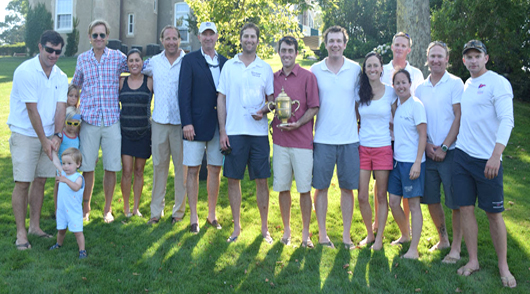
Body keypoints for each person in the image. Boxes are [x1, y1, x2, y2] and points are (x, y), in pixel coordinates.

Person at [453, 40, 516, 288]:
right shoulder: (467, 84)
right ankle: (473, 261)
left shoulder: (498, 83)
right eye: (468, 56)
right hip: (463, 158)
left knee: (493, 214)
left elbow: (507, 120)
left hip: (488, 161)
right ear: (464, 61)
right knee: (466, 209)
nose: (473, 60)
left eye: (477, 55)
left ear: (486, 58)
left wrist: (496, 155)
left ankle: (504, 266)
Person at [7, 30, 68, 250]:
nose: (53, 54)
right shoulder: (25, 71)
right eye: (50, 50)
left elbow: (61, 108)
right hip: (25, 134)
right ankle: (21, 234)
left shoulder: (61, 76)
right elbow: (32, 111)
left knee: (41, 181)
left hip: (50, 136)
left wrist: (58, 135)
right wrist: (45, 141)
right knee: (23, 183)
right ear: (40, 47)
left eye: (58, 51)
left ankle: (35, 227)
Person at [217, 22, 274, 243]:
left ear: (258, 40)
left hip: (258, 134)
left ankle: (264, 228)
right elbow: (221, 98)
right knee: (233, 179)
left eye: (253, 37)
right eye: (246, 36)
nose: (249, 40)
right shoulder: (229, 66)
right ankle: (236, 228)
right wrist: (223, 131)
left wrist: (263, 111)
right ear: (240, 39)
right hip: (234, 132)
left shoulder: (265, 68)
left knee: (261, 180)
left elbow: (272, 102)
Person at [72, 19, 128, 223]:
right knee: (87, 166)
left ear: (107, 37)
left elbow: (137, 66)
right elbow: (75, 86)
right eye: (95, 35)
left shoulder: (117, 57)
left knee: (111, 166)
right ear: (89, 37)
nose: (98, 38)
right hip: (89, 120)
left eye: (102, 35)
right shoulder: (82, 59)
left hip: (112, 119)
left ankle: (107, 209)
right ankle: (86, 208)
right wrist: (72, 114)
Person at [310, 26, 361, 249]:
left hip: (350, 139)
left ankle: (346, 236)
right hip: (323, 139)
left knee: (347, 188)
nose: (335, 45)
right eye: (331, 41)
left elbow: (361, 104)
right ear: (325, 43)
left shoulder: (355, 69)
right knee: (320, 188)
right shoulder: (315, 70)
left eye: (339, 41)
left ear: (345, 44)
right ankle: (322, 235)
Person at [415, 41, 463, 262]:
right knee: (432, 199)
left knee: (455, 202)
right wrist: (428, 147)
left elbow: (458, 117)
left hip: (450, 153)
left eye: (440, 56)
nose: (435, 60)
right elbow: (418, 123)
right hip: (428, 153)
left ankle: (456, 247)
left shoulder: (455, 83)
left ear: (447, 60)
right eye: (432, 56)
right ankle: (443, 239)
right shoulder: (420, 89)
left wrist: (444, 147)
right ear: (427, 59)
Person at [179, 22, 227, 233]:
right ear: (199, 37)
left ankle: (212, 214)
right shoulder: (189, 60)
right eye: (204, 34)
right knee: (193, 170)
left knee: (215, 169)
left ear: (217, 37)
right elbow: (183, 94)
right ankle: (193, 217)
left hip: (219, 126)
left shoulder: (225, 62)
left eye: (212, 34)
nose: (208, 38)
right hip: (195, 126)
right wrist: (186, 122)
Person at [272, 36, 319, 247]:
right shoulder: (273, 78)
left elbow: (314, 107)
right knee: (283, 188)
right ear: (279, 52)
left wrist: (299, 123)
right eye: (283, 50)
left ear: (296, 53)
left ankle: (306, 234)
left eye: (290, 50)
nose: (287, 54)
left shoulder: (308, 77)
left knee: (304, 190)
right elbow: (270, 104)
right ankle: (287, 231)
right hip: (280, 141)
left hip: (302, 141)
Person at [375, 32, 425, 233]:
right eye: (396, 44)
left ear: (409, 49)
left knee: (407, 188)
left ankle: (408, 228)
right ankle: (379, 223)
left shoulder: (417, 74)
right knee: (382, 183)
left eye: (403, 45)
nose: (399, 48)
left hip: (408, 138)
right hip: (385, 137)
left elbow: (417, 107)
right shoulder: (382, 69)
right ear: (392, 46)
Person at [143, 25, 187, 225]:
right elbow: (134, 67)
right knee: (159, 167)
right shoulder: (153, 62)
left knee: (181, 169)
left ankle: (178, 212)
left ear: (179, 40)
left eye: (174, 38)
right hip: (159, 122)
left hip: (181, 123)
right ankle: (155, 212)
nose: (171, 42)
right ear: (162, 40)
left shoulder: (187, 61)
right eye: (167, 38)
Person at [356, 51, 397, 250]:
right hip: (363, 147)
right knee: (362, 196)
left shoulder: (391, 92)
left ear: (382, 68)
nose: (372, 69)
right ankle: (370, 234)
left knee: (381, 196)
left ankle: (379, 237)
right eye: (368, 66)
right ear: (365, 70)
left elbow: (398, 119)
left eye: (375, 65)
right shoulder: (360, 91)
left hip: (383, 148)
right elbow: (356, 117)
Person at [388, 69, 427, 259]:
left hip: (412, 163)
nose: (401, 86)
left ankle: (414, 249)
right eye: (397, 83)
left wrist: (418, 162)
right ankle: (405, 235)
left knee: (413, 206)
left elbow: (423, 135)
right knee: (393, 202)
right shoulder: (398, 106)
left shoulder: (416, 105)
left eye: (404, 82)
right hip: (397, 162)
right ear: (393, 86)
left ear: (410, 84)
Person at [119, 48, 153, 218]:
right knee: (126, 171)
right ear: (127, 64)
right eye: (131, 61)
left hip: (144, 133)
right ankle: (126, 207)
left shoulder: (149, 81)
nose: (134, 63)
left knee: (139, 171)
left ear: (142, 62)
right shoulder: (121, 82)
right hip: (125, 132)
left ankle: (136, 208)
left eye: (137, 60)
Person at [49, 148, 87, 259]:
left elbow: (76, 187)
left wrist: (65, 180)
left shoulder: (78, 177)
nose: (65, 166)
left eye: (69, 163)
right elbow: (55, 162)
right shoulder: (62, 173)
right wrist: (53, 151)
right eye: (64, 163)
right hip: (62, 209)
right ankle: (58, 244)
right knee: (61, 229)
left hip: (73, 210)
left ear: (78, 164)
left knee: (78, 232)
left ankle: (82, 250)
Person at [53, 107, 82, 217]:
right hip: (62, 169)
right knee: (60, 190)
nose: (72, 126)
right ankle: (58, 210)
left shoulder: (77, 136)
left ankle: (69, 209)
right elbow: (55, 152)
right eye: (69, 123)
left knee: (71, 190)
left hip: (73, 170)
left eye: (75, 124)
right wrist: (60, 168)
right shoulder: (62, 136)